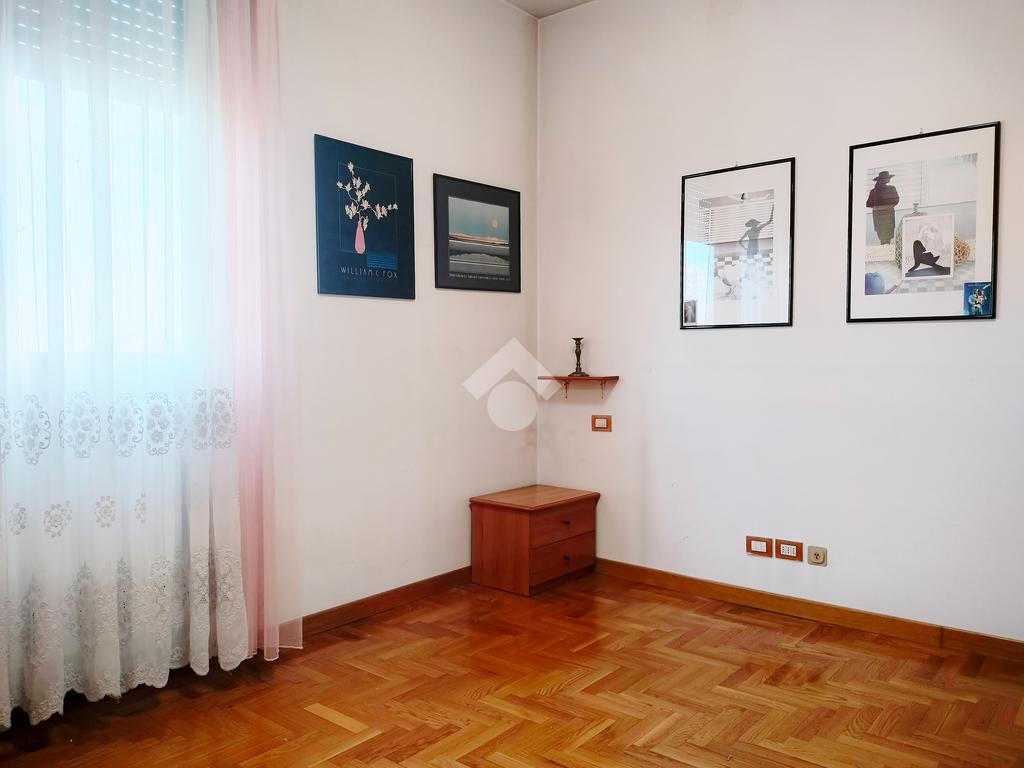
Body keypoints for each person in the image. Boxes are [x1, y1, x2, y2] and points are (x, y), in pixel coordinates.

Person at [866, 171, 899, 245]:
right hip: (882, 217)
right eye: (887, 178)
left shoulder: (891, 189)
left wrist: (880, 205)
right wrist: (884, 205)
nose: (889, 179)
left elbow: (896, 200)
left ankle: (885, 249)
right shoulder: (874, 191)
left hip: (886, 216)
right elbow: (868, 204)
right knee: (884, 238)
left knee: (886, 238)